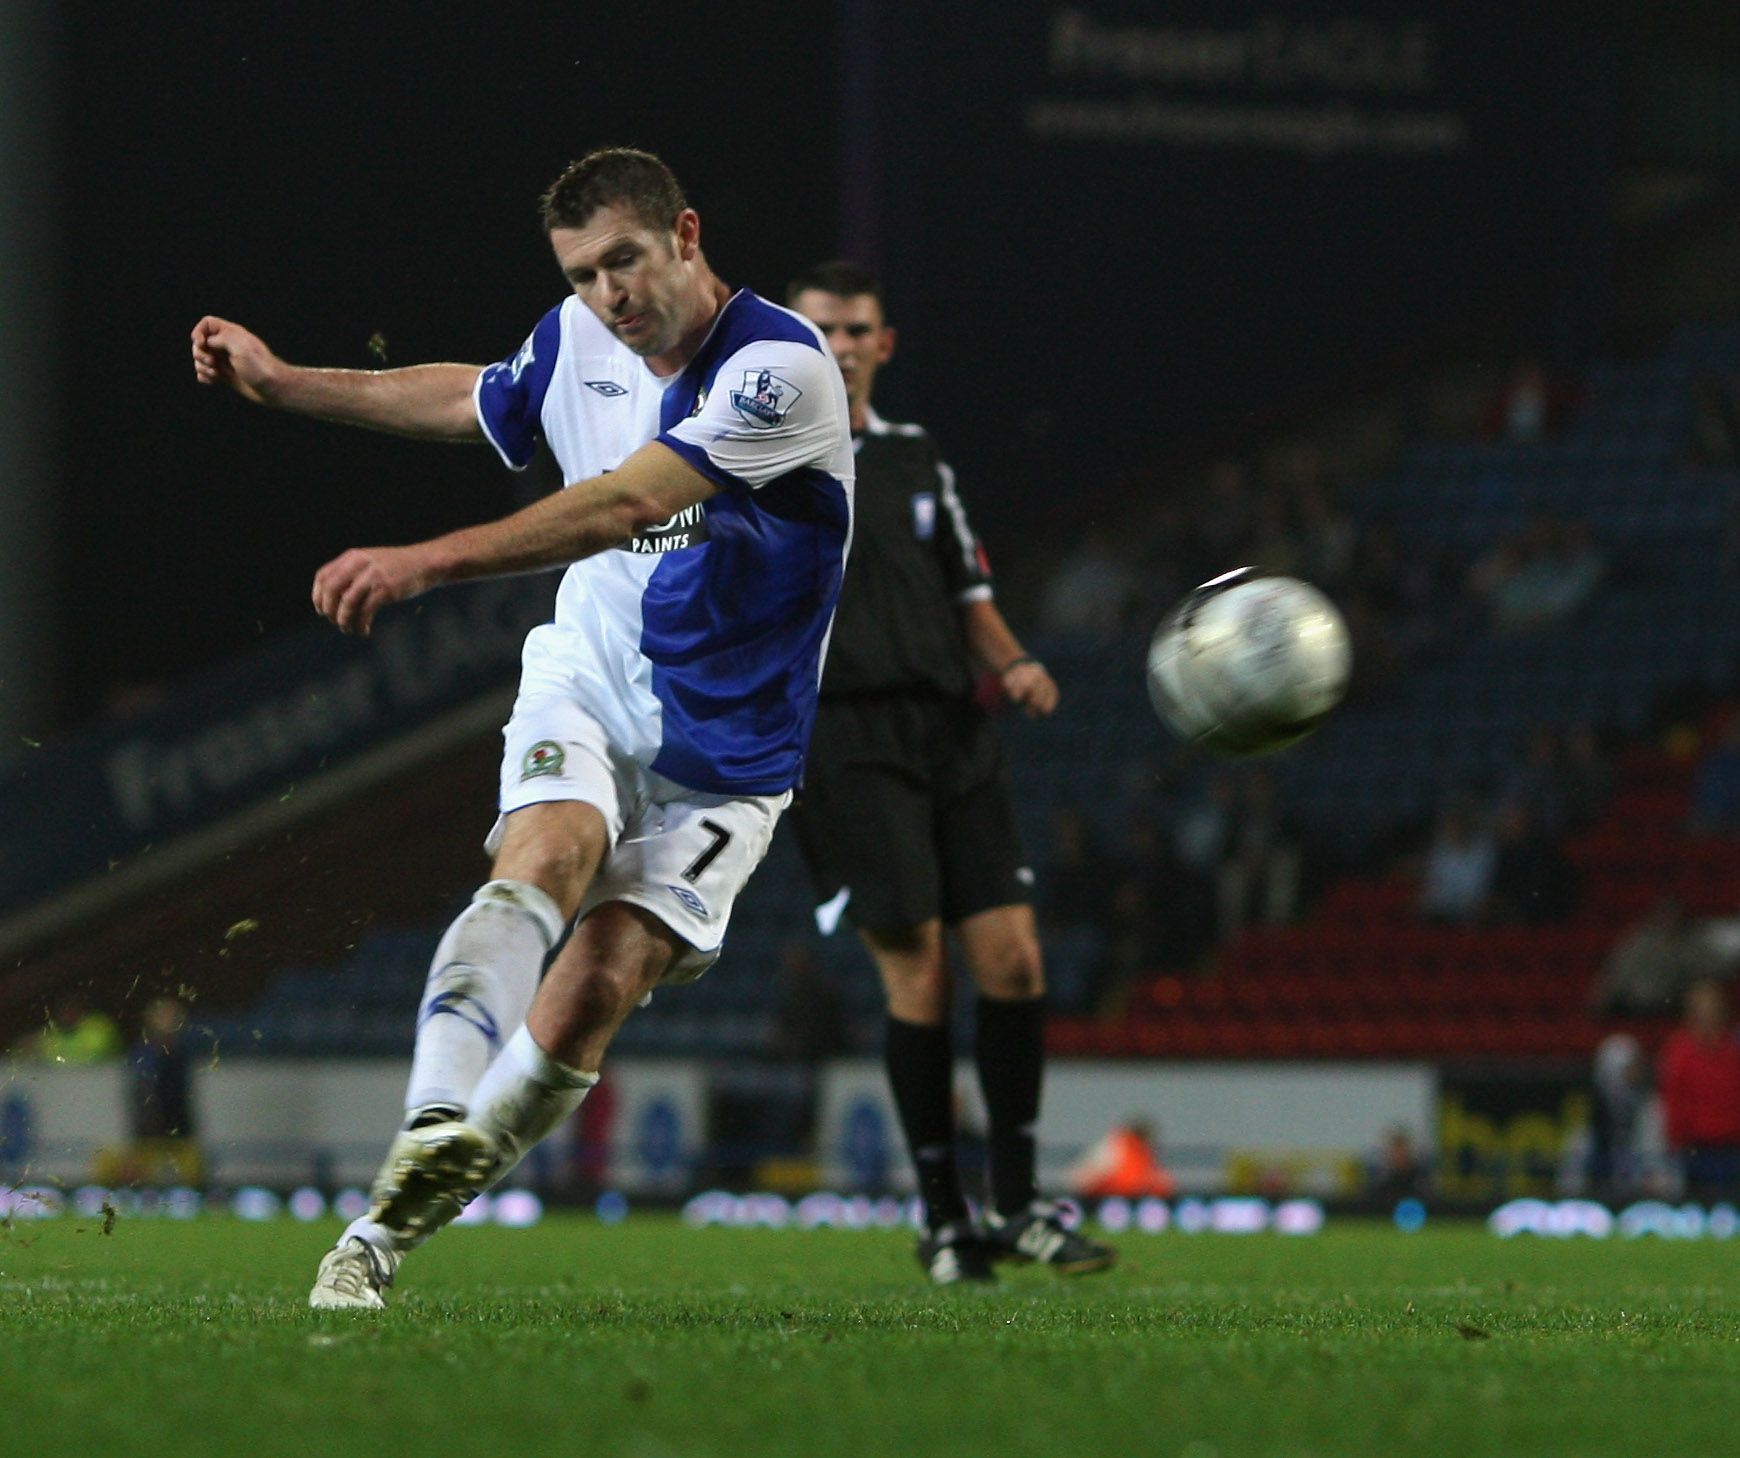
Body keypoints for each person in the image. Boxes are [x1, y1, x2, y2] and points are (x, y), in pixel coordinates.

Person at [193, 148, 853, 1308]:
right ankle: (421, 1144)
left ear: (686, 237)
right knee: (546, 853)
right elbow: (475, 396)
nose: (611, 295)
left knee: (595, 984)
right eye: (586, 273)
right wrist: (288, 382)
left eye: (627, 263)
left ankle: (398, 1211)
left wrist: (424, 562)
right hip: (595, 674)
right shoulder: (579, 334)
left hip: (729, 753)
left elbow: (630, 501)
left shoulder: (780, 368)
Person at [782, 261, 1113, 1283]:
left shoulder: (921, 459)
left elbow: (969, 591)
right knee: (917, 969)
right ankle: (941, 1218)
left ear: (886, 343)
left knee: (1014, 962)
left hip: (951, 731)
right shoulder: (747, 458)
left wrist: (1012, 660)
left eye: (857, 330)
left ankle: (1015, 1205)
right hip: (843, 740)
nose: (840, 346)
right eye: (822, 330)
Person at [1657, 977, 1740, 1202]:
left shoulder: (1734, 1046)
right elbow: (1673, 1097)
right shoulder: (1680, 1050)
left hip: (1733, 1146)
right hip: (1695, 1147)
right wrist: (1674, 1141)